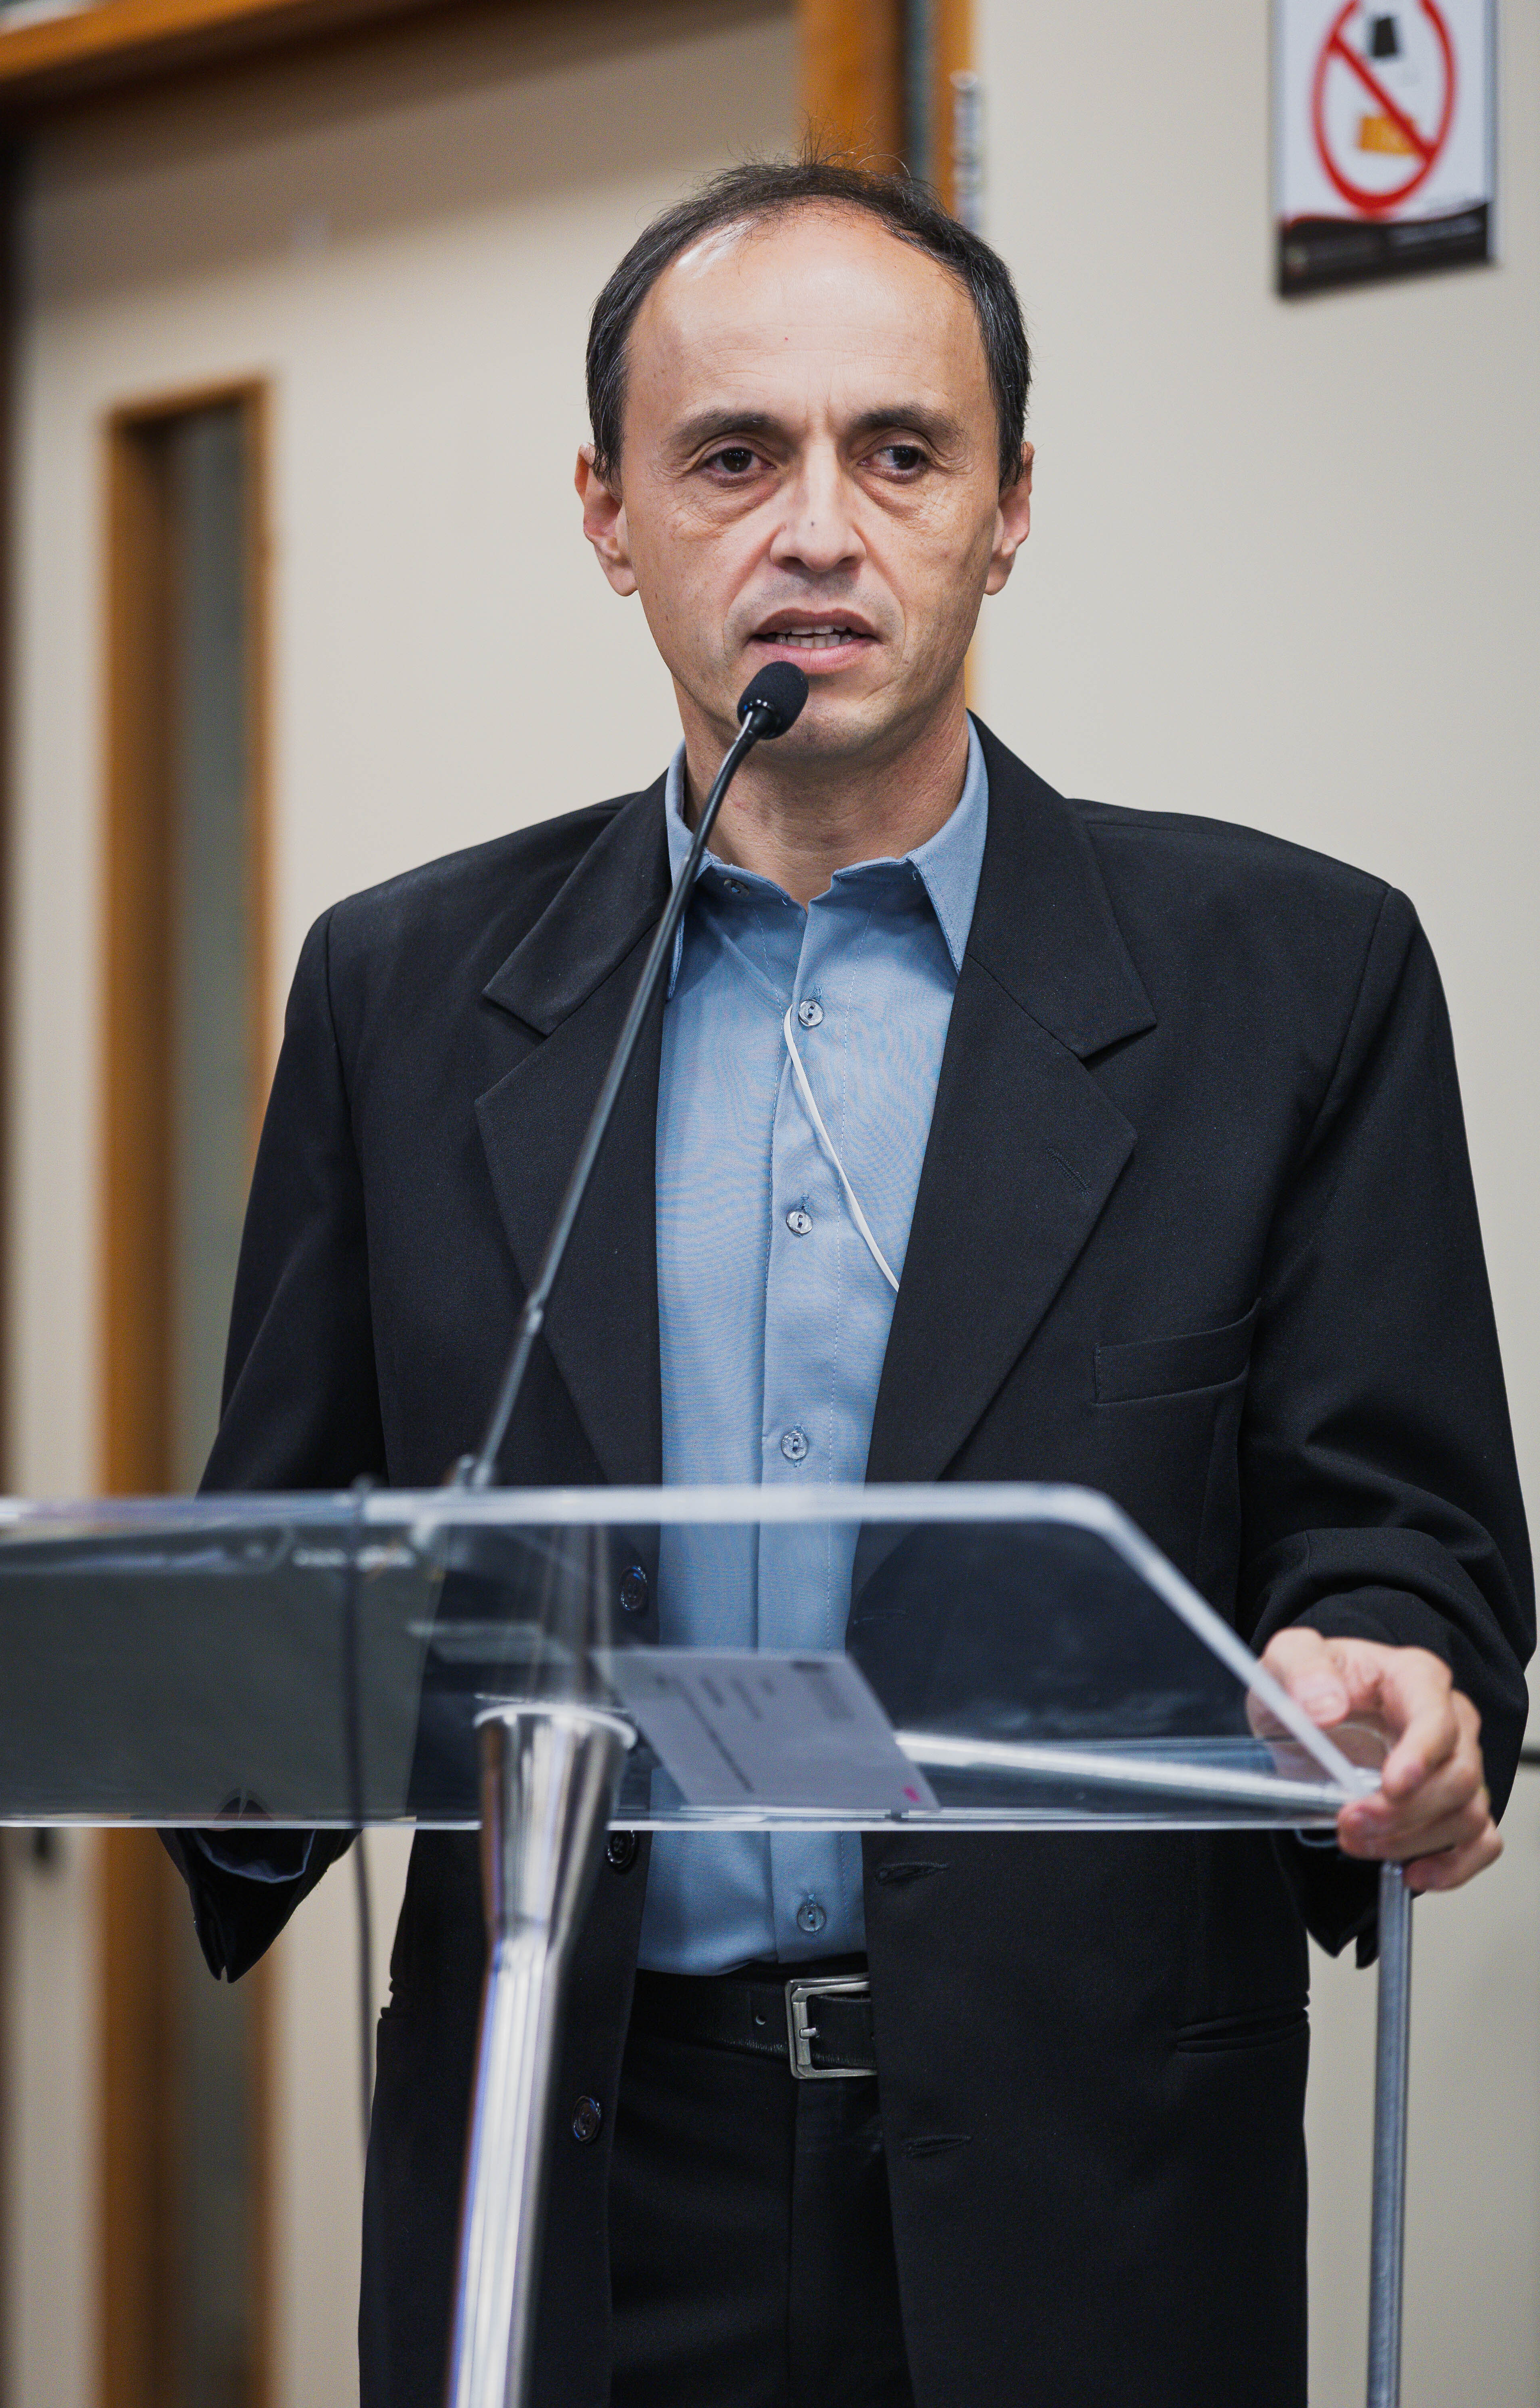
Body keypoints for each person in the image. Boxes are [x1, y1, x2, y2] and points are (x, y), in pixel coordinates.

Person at [165, 159, 1532, 2408]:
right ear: (610, 516)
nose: (820, 530)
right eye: (733, 458)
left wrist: (1389, 1671)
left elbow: (1401, 1531)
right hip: (578, 2179)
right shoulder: (401, 993)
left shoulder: (1296, 977)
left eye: (901, 453)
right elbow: (286, 1563)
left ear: (1010, 510)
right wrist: (187, 1716)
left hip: (1090, 2173)